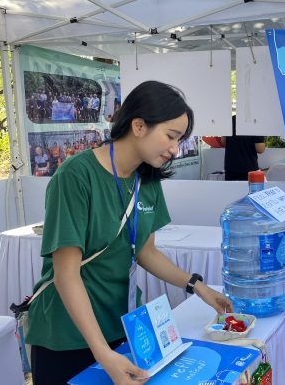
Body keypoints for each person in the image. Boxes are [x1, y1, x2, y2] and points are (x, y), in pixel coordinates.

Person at [26, 81, 232, 385]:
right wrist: (101, 353)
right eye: (171, 136)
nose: (175, 149)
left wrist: (197, 286)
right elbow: (65, 274)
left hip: (117, 327)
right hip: (67, 333)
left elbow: (146, 252)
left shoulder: (146, 180)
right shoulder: (76, 175)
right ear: (138, 125)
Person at [221, 114, 265, 181]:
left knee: (231, 190)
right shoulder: (254, 121)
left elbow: (223, 142)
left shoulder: (230, 120)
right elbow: (260, 149)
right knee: (249, 190)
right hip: (249, 168)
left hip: (230, 168)